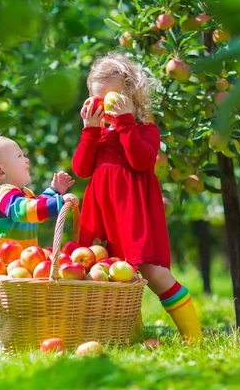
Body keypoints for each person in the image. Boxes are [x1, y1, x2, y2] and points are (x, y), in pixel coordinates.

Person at [72, 52, 202, 341]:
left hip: (131, 211)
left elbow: (141, 160)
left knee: (150, 270)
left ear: (133, 98)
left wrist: (126, 123)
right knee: (111, 272)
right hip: (103, 212)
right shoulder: (99, 136)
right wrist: (90, 132)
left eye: (114, 99)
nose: (106, 107)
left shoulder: (145, 130)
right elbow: (81, 169)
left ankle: (193, 335)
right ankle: (131, 336)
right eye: (98, 99)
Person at [0, 135, 77, 291]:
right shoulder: (1, 193)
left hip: (9, 272)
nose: (27, 160)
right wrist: (58, 203)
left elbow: (32, 213)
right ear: (0, 171)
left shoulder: (21, 194)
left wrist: (53, 192)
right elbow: (24, 210)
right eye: (19, 156)